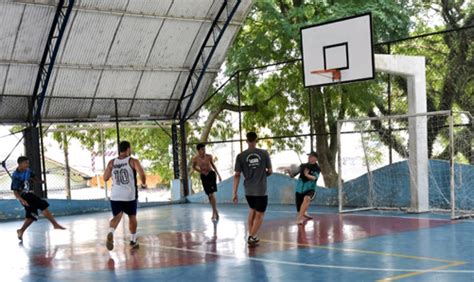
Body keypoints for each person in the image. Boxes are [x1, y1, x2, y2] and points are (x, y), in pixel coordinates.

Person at [103, 141, 146, 250]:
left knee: (117, 217)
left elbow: (105, 178)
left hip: (115, 195)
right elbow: (142, 173)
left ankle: (111, 232)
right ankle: (133, 240)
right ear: (128, 149)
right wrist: (144, 183)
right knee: (132, 216)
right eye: (130, 149)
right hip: (129, 195)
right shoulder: (132, 161)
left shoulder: (112, 162)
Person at [11, 156, 66, 241]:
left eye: (28, 163)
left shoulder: (28, 170)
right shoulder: (16, 175)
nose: (28, 165)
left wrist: (39, 181)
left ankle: (21, 230)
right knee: (42, 204)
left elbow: (33, 177)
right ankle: (55, 224)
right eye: (26, 163)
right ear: (20, 164)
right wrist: (22, 200)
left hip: (29, 194)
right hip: (24, 196)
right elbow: (15, 192)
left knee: (33, 215)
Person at [232, 132, 272, 246]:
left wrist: (234, 193)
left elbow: (237, 175)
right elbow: (270, 171)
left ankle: (252, 235)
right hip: (261, 189)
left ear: (246, 141)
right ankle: (251, 236)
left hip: (248, 190)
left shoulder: (240, 156)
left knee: (252, 210)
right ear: (256, 140)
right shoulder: (264, 154)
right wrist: (262, 175)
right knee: (260, 214)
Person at [285, 151, 321, 225]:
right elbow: (293, 175)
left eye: (311, 156)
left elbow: (314, 178)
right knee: (300, 209)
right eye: (309, 156)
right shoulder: (302, 166)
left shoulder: (317, 168)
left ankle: (299, 218)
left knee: (307, 198)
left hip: (310, 189)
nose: (309, 157)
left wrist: (307, 175)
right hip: (299, 189)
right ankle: (304, 213)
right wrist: (289, 172)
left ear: (315, 158)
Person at [192, 143, 222, 221]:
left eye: (204, 149)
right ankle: (216, 211)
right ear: (198, 150)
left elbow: (213, 165)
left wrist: (218, 175)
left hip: (211, 175)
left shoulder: (209, 156)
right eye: (202, 149)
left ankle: (214, 213)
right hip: (204, 176)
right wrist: (201, 171)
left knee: (212, 193)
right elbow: (194, 167)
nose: (204, 151)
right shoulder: (195, 158)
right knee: (209, 195)